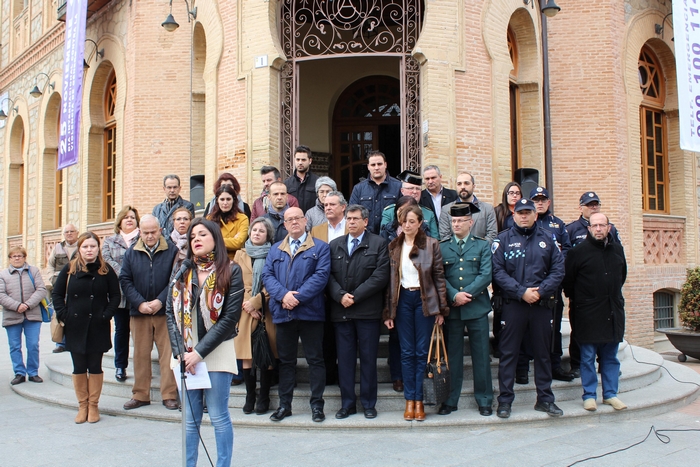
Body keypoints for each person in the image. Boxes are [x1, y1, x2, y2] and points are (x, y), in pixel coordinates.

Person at [166, 218, 244, 467]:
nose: (196, 239)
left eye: (202, 234)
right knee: (190, 420)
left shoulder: (230, 270)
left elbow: (230, 318)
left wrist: (198, 353)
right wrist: (181, 352)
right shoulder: (182, 269)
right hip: (185, 355)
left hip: (216, 352)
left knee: (219, 417)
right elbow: (170, 311)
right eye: (192, 237)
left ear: (215, 239)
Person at [492, 199, 565, 419]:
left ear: (535, 215)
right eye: (520, 212)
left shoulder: (548, 239)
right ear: (513, 215)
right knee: (508, 354)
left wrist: (540, 291)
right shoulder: (502, 240)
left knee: (543, 354)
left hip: (541, 305)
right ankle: (505, 401)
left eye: (528, 212)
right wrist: (521, 291)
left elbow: (558, 270)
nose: (524, 216)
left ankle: (545, 399)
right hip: (513, 305)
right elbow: (497, 271)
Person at [262, 207, 331, 423]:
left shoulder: (320, 248)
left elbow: (321, 277)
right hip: (284, 314)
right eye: (289, 219)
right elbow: (267, 275)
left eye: (297, 218)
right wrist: (283, 296)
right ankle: (285, 406)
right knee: (287, 362)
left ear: (305, 221)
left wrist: (296, 298)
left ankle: (317, 406)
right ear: (284, 224)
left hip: (310, 313)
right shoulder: (275, 249)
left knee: (315, 360)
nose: (294, 222)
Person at [383, 204, 448, 422]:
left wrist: (440, 309)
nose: (407, 225)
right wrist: (389, 313)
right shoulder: (394, 246)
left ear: (420, 223)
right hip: (402, 301)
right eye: (404, 222)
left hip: (424, 301)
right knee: (406, 352)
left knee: (422, 352)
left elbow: (439, 277)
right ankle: (409, 399)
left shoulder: (431, 245)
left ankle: (420, 400)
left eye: (412, 221)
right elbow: (390, 283)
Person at [328, 205, 390, 419]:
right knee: (344, 361)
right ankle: (347, 404)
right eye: (349, 219)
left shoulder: (379, 244)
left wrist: (354, 296)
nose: (351, 222)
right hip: (341, 313)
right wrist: (340, 295)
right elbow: (327, 276)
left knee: (368, 360)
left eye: (355, 219)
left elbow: (381, 275)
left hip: (367, 313)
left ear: (366, 221)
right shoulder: (334, 245)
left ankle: (368, 403)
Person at [52, 232, 121, 423]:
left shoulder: (106, 270)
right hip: (75, 325)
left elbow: (115, 295)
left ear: (98, 248)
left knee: (95, 366)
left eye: (92, 246)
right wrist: (64, 315)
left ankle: (93, 405)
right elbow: (57, 295)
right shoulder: (69, 269)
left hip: (97, 326)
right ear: (79, 249)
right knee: (79, 367)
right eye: (85, 247)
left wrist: (106, 315)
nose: (89, 250)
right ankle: (82, 405)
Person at [563, 212, 628, 412]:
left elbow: (621, 276)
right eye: (595, 225)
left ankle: (610, 394)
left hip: (612, 311)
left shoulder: (617, 250)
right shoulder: (577, 253)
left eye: (602, 225)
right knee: (588, 358)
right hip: (588, 313)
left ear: (609, 227)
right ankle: (589, 395)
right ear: (589, 228)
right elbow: (569, 284)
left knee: (610, 357)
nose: (598, 229)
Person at [438, 203, 493, 416]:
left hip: (476, 308)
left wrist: (465, 295)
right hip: (453, 310)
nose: (456, 224)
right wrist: (454, 295)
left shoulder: (482, 246)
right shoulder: (442, 247)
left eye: (461, 221)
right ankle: (450, 400)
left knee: (481, 356)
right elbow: (439, 276)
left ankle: (485, 399)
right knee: (453, 357)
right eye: (453, 221)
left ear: (471, 222)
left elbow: (486, 275)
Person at [119, 215, 179, 411]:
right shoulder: (131, 252)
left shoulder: (172, 251)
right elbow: (125, 280)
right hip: (139, 312)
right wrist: (140, 303)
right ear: (140, 233)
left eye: (153, 232)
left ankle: (169, 394)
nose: (150, 236)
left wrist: (160, 301)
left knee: (167, 354)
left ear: (160, 230)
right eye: (146, 233)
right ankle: (140, 394)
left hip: (165, 313)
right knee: (140, 354)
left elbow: (175, 279)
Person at [565, 191, 622, 378]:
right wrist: (575, 294)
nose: (593, 207)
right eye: (589, 205)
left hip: (606, 297)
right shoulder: (571, 229)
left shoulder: (611, 231)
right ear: (581, 207)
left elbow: (620, 269)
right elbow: (569, 269)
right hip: (583, 296)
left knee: (606, 334)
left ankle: (603, 365)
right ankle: (576, 363)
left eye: (596, 204)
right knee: (580, 333)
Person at [526, 186, 573, 383]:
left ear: (548, 202)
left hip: (552, 287)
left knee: (553, 329)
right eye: (536, 200)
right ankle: (526, 366)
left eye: (543, 200)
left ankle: (555, 366)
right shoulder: (525, 223)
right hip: (530, 286)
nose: (540, 203)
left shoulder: (558, 225)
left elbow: (567, 251)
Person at [233, 217, 278, 415]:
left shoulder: (275, 254)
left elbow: (275, 282)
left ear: (268, 234)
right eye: (254, 230)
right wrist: (248, 305)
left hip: (267, 311)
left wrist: (257, 301)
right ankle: (250, 395)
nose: (257, 233)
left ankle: (264, 396)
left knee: (265, 353)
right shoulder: (239, 254)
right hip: (244, 311)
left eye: (261, 231)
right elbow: (234, 283)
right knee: (246, 356)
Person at [309, 191, 348, 385]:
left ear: (343, 207)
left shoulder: (352, 227)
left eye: (332, 204)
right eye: (325, 205)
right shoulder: (316, 231)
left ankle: (346, 374)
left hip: (347, 287)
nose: (328, 208)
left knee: (346, 335)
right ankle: (330, 374)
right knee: (326, 336)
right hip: (323, 290)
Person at [102, 205, 141, 383]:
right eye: (126, 217)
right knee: (121, 330)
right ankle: (120, 366)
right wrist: (125, 272)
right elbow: (107, 261)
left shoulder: (143, 238)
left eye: (132, 217)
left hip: (139, 292)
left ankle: (142, 368)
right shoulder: (110, 241)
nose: (129, 220)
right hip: (118, 293)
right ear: (120, 221)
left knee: (141, 332)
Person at [1, 246, 48, 386]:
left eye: (20, 256)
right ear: (9, 259)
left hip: (32, 314)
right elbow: (1, 294)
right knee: (15, 346)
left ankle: (33, 372)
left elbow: (41, 289)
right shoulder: (3, 274)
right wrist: (16, 306)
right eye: (14, 256)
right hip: (12, 315)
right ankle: (19, 373)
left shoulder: (33, 271)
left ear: (24, 257)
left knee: (33, 345)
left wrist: (27, 305)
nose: (17, 258)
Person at [348, 150, 402, 234]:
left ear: (385, 165)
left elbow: (404, 212)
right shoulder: (358, 188)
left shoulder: (398, 186)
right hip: (367, 238)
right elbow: (352, 213)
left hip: (391, 237)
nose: (376, 167)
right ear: (368, 167)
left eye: (379, 164)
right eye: (373, 165)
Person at [45, 223, 79, 353]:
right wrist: (52, 279)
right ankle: (61, 343)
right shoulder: (58, 248)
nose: (69, 234)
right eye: (66, 232)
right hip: (60, 286)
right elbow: (50, 265)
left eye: (72, 231)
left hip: (77, 286)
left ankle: (74, 341)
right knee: (60, 313)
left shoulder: (82, 246)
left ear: (77, 232)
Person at [439, 172, 497, 243]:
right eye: (459, 184)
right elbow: (445, 236)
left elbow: (492, 235)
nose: (463, 187)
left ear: (473, 186)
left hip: (480, 253)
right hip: (455, 253)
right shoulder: (446, 209)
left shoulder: (487, 209)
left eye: (466, 183)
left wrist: (476, 250)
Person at [382, 170, 439, 238]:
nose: (414, 192)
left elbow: (435, 239)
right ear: (402, 191)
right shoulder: (389, 212)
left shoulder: (428, 213)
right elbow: (384, 236)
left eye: (418, 189)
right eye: (411, 188)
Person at [207, 184, 250, 260]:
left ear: (233, 200)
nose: (225, 203)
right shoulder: (209, 218)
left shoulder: (242, 218)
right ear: (217, 200)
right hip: (214, 261)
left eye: (228, 199)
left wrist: (215, 240)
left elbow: (238, 243)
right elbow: (206, 241)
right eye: (222, 199)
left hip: (235, 261)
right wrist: (231, 240)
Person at [284, 145, 320, 213]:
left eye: (303, 160)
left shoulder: (318, 182)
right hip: (294, 221)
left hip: (313, 221)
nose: (300, 162)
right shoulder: (287, 183)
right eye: (298, 159)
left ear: (310, 161)